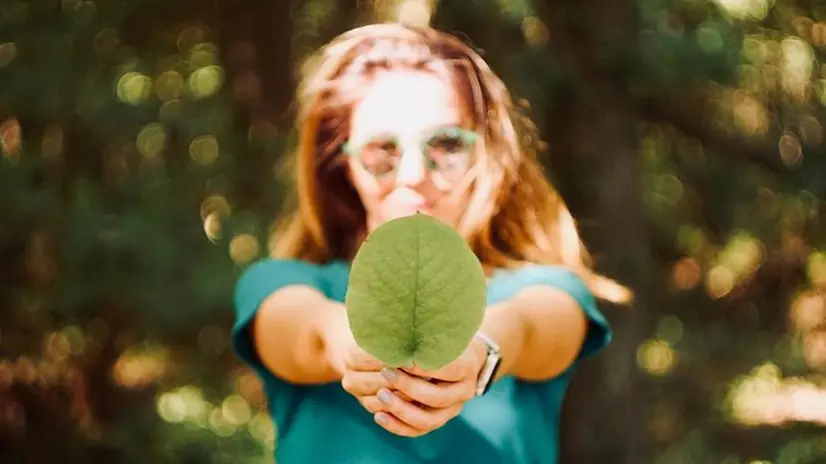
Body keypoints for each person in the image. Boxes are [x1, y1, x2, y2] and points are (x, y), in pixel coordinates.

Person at [231, 22, 632, 464]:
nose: (413, 174)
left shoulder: (545, 288)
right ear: (343, 167)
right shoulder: (281, 283)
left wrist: (481, 351)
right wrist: (352, 345)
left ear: (486, 153)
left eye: (445, 144)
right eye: (382, 149)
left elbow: (531, 327)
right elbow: (307, 334)